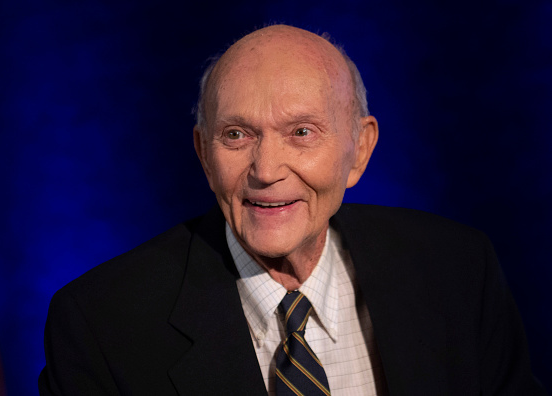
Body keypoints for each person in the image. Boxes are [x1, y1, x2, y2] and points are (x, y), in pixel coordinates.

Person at [39, 25, 545, 395]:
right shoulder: (102, 325)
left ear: (359, 149)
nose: (266, 168)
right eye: (237, 135)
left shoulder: (456, 269)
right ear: (203, 154)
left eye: (301, 133)